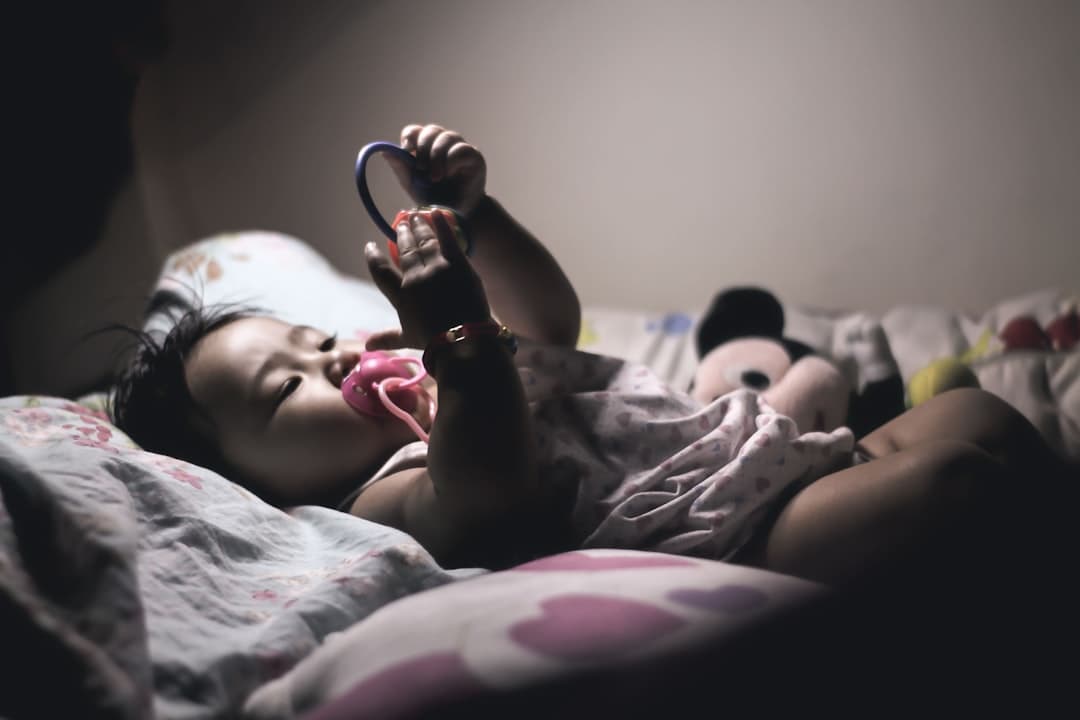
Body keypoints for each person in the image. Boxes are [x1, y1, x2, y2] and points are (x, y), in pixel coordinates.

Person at [111, 123, 1073, 590]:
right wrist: (457, 340)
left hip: (764, 442)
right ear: (255, 487)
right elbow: (484, 481)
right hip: (737, 533)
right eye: (285, 388)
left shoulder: (460, 367)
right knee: (956, 483)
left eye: (316, 340)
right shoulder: (393, 495)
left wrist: (480, 222)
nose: (328, 360)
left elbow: (551, 317)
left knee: (982, 416)